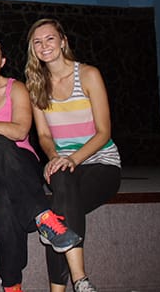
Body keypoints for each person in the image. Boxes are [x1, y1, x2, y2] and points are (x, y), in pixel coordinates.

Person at [0, 36, 82, 292]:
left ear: (2, 61)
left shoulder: (17, 88)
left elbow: (20, 131)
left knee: (2, 200)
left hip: (15, 163)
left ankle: (11, 285)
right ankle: (43, 215)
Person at [25, 19, 121, 292]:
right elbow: (43, 135)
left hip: (101, 162)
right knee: (59, 216)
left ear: (63, 41)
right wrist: (56, 156)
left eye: (50, 39)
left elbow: (103, 132)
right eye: (38, 42)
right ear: (33, 49)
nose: (44, 46)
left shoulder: (89, 75)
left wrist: (71, 159)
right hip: (65, 166)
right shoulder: (36, 85)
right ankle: (80, 280)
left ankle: (63, 287)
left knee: (59, 209)